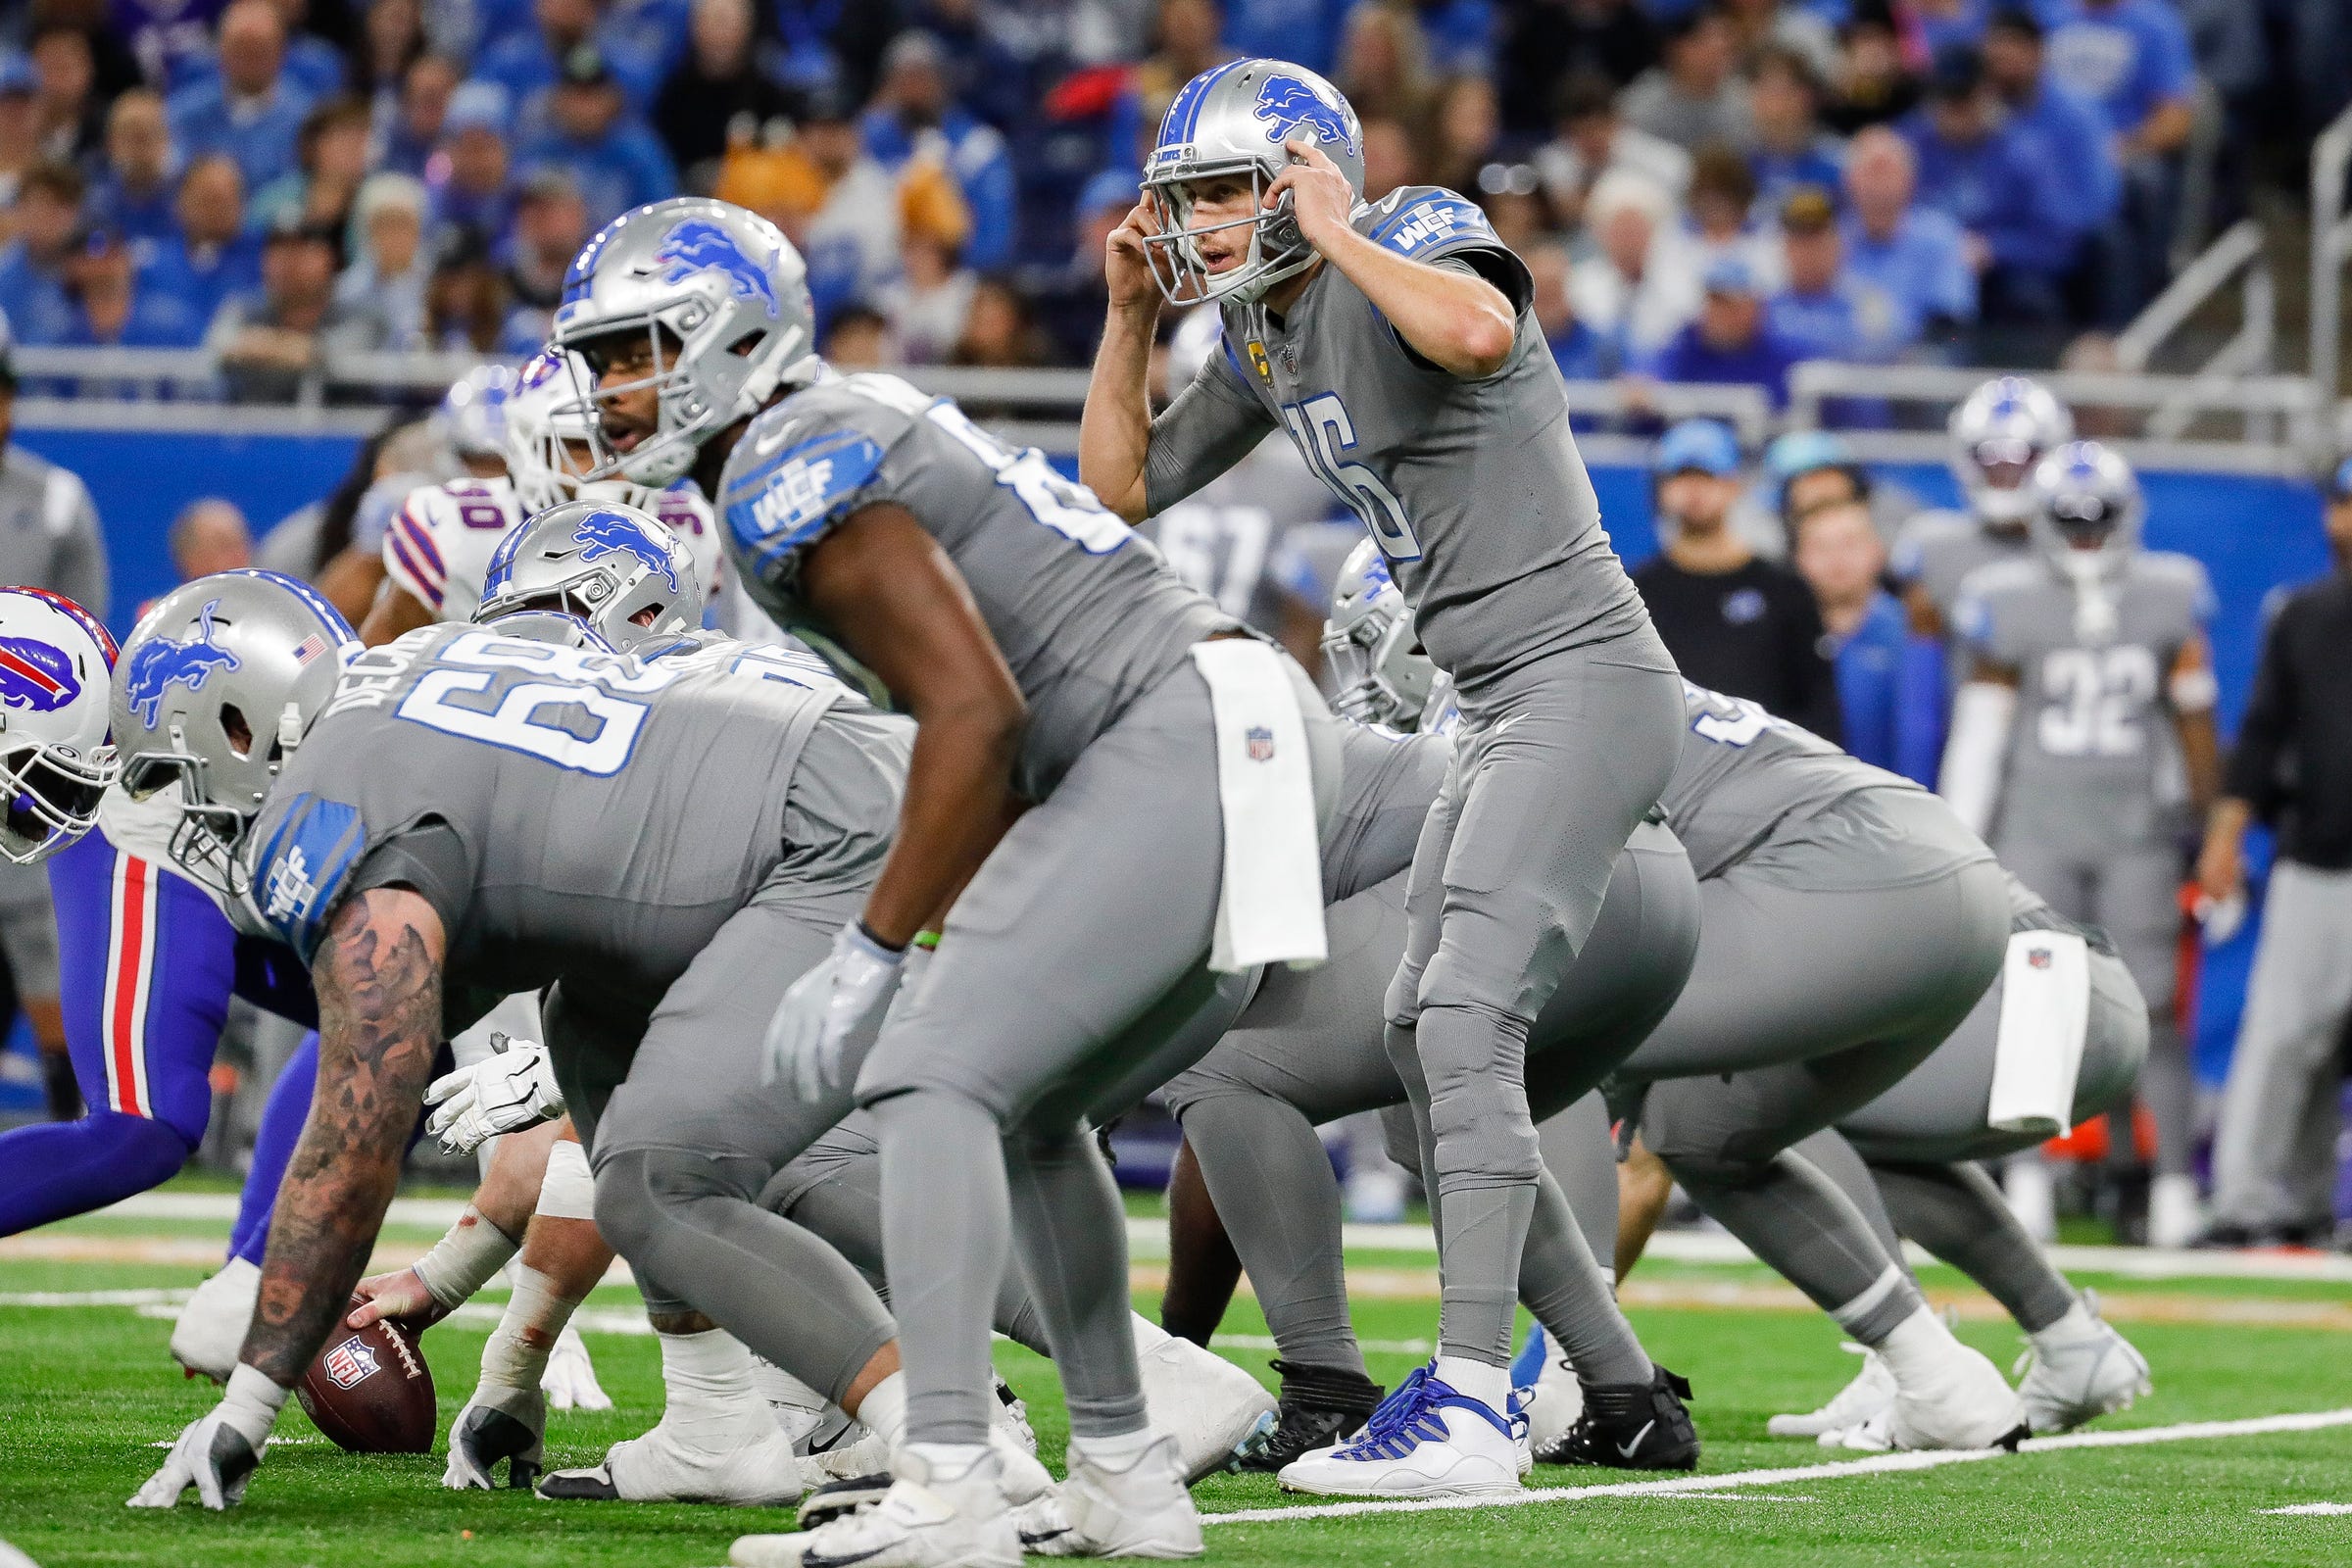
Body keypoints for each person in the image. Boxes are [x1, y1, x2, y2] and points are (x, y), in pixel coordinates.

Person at [551, 193, 1337, 1562]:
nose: (615, 390)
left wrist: (872, 943)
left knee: (926, 1077)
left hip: (1172, 730)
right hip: (1233, 722)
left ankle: (953, 1478)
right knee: (1029, 1113)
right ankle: (1125, 1470)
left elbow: (977, 714)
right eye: (603, 358)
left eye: (639, 351)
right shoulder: (836, 422)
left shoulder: (787, 455)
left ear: (732, 337)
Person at [1089, 58, 1686, 1503]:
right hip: (1492, 706)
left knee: (1465, 1020)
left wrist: (1340, 229)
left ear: (1305, 173)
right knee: (1423, 1031)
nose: (1203, 226)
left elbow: (1480, 330)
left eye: (1227, 192)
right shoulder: (1259, 336)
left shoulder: (1408, 232)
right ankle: (1620, 1392)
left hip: (1582, 677)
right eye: (1186, 200)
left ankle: (1474, 1403)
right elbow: (1119, 489)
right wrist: (1123, 319)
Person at [119, 564, 970, 1523]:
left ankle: (955, 1458)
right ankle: (715, 1417)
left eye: (170, 770)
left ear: (241, 723)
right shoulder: (412, 672)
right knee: (594, 1038)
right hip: (869, 781)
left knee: (677, 1177)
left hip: (838, 838)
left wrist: (250, 1402)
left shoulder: (329, 797)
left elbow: (364, 1112)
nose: (186, 810)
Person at [1941, 442, 2221, 1249]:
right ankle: (2031, 1179)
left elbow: (2193, 722)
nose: (2087, 536)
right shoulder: (2007, 598)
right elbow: (1982, 735)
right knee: (2037, 1006)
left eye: (2099, 521)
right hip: (2039, 828)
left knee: (2157, 1009)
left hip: (2138, 833)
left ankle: (2168, 1182)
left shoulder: (2169, 594)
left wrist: (2206, 828)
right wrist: (1967, 836)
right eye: (2073, 521)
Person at [2196, 458, 2352, 1248]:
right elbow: (2259, 735)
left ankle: (2314, 1200)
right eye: (2345, 504)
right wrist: (2225, 836)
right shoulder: (2303, 613)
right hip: (2319, 857)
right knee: (2288, 1036)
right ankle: (2250, 1202)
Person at [1633, 418, 1842, 741]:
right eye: (1681, 477)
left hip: (1767, 774)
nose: (1695, 491)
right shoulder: (1635, 593)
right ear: (1662, 490)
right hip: (1669, 776)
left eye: (1707, 476)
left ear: (1734, 485)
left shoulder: (1784, 590)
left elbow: (1816, 704)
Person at [1791, 495, 1918, 778]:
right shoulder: (1780, 634)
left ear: (1878, 551)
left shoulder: (1911, 631)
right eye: (1820, 547)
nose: (1836, 559)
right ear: (1798, 558)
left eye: (1850, 544)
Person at [206, 217, 389, 403]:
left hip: (343, 427)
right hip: (255, 426)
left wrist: (261, 346)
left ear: (331, 259)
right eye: (278, 251)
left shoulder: (363, 313)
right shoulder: (244, 307)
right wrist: (290, 350)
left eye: (301, 251)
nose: (288, 262)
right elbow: (220, 343)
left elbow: (333, 351)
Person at [1839, 125, 1976, 347]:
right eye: (1871, 172)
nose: (1879, 185)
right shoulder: (1830, 239)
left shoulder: (1940, 237)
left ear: (1910, 180)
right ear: (1849, 180)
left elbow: (1952, 322)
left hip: (1918, 368)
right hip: (1839, 363)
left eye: (1887, 172)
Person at [516, 44, 677, 230]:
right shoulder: (540, 150)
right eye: (575, 96)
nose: (584, 107)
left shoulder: (639, 152)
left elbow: (662, 216)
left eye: (592, 96)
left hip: (621, 252)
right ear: (558, 99)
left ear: (612, 99)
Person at [164, 0, 315, 194]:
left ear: (281, 51)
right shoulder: (181, 115)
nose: (249, 57)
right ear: (220, 49)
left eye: (260, 48)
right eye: (240, 47)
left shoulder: (307, 120)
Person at [1642, 254, 1803, 409]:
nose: (1720, 313)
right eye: (1714, 302)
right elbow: (1649, 379)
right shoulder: (1684, 346)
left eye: (1730, 305)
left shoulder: (1782, 356)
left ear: (1756, 308)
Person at [144, 155, 264, 327]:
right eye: (210, 199)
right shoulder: (154, 265)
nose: (219, 210)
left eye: (228, 199)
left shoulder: (264, 259)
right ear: (182, 201)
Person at [1619, 8, 1754, 155]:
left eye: (1726, 42)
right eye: (1704, 40)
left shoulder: (1746, 100)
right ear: (1675, 47)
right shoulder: (1642, 104)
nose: (1719, 48)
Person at [86, 89, 179, 251]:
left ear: (166, 138)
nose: (141, 148)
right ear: (111, 143)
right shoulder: (94, 202)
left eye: (148, 135)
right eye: (132, 137)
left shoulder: (184, 200)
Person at [168, 499, 253, 581]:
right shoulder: (173, 596)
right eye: (225, 546)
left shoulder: (264, 593)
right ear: (191, 560)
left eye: (240, 544)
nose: (238, 555)